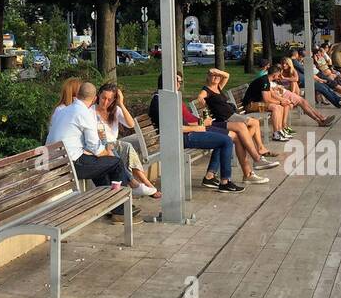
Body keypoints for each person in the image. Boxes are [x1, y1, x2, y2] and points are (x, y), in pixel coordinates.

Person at [45, 82, 134, 216]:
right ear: (94, 98)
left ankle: (108, 203)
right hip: (70, 164)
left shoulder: (63, 110)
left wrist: (102, 155)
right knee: (115, 163)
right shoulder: (84, 113)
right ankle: (120, 210)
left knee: (101, 165)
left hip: (55, 161)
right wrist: (107, 154)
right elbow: (94, 146)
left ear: (78, 95)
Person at [150, 73, 242, 192]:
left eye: (180, 82)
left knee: (224, 138)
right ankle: (225, 182)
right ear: (167, 82)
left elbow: (182, 122)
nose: (179, 84)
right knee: (226, 141)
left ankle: (211, 176)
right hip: (179, 137)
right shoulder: (162, 102)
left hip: (184, 133)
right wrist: (197, 128)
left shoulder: (166, 98)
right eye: (177, 81)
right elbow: (174, 128)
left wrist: (199, 124)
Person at [200, 69, 280, 184]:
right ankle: (257, 159)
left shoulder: (218, 87)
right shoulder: (206, 90)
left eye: (217, 76)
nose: (216, 78)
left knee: (242, 136)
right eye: (213, 76)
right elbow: (201, 96)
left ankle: (249, 172)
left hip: (231, 116)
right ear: (207, 77)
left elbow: (227, 75)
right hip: (224, 119)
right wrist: (200, 99)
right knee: (246, 128)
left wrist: (217, 71)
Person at [93, 83, 158, 197]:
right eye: (103, 98)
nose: (105, 102)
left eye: (110, 99)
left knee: (127, 147)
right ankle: (135, 184)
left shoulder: (115, 110)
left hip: (114, 145)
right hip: (99, 145)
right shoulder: (91, 111)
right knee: (115, 151)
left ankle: (146, 184)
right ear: (98, 95)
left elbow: (131, 124)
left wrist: (121, 104)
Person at [241, 60, 291, 141]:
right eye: (278, 75)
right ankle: (276, 134)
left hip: (256, 104)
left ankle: (280, 131)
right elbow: (267, 99)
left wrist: (283, 100)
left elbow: (272, 94)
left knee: (279, 107)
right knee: (275, 107)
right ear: (274, 74)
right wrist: (280, 102)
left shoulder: (267, 80)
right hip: (250, 106)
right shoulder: (264, 81)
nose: (279, 77)